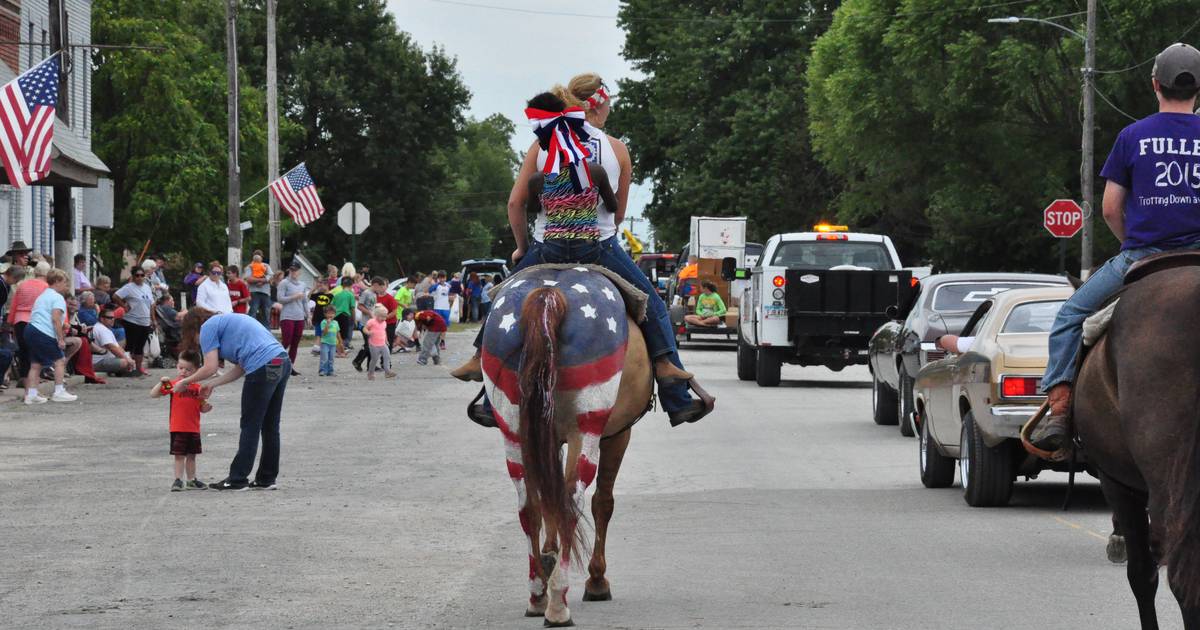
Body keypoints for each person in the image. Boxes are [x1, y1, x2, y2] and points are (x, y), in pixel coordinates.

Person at [452, 83, 713, 427]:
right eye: (608, 107)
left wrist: (522, 248)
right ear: (596, 108)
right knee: (653, 304)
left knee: (501, 300)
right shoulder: (616, 150)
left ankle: (483, 377)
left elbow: (517, 205)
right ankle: (673, 389)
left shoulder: (540, 148)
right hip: (599, 249)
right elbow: (617, 215)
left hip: (547, 249)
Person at [1032, 43, 1200, 452]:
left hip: (1143, 255)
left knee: (1071, 316)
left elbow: (1109, 208)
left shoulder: (1132, 135)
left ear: (1155, 84)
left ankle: (1058, 411)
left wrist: (1134, 246)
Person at [177, 308, 290, 491]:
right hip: (281, 361)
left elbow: (210, 366)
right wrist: (213, 384)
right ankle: (266, 478)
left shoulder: (207, 327)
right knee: (270, 425)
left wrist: (185, 382)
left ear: (193, 327)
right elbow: (241, 367)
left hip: (262, 365)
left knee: (250, 425)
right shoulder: (228, 322)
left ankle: (237, 479)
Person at [152, 349, 212, 492]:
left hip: (193, 427)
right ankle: (178, 480)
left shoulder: (198, 388)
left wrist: (207, 407)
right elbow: (154, 394)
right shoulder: (173, 384)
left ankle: (191, 480)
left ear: (197, 370)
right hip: (178, 426)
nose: (183, 372)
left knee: (192, 455)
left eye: (188, 370)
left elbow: (202, 406)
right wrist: (161, 383)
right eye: (181, 368)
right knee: (179, 456)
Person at [23, 268, 78, 404]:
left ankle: (31, 394)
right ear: (57, 282)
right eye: (65, 283)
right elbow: (55, 319)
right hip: (44, 331)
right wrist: (60, 339)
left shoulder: (42, 296)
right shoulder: (57, 297)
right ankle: (59, 392)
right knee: (59, 360)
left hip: (30, 329)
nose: (67, 287)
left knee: (36, 364)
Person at [8, 261, 50, 383]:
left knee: (23, 350)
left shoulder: (23, 285)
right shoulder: (46, 287)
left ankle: (23, 377)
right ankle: (35, 377)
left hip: (19, 320)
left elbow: (14, 305)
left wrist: (11, 322)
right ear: (47, 274)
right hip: (36, 321)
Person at [113, 266, 158, 375]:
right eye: (137, 275)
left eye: (142, 275)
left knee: (140, 346)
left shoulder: (147, 287)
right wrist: (124, 305)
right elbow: (115, 296)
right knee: (130, 346)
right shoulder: (129, 287)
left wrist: (154, 319)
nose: (139, 278)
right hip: (132, 321)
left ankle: (139, 368)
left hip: (145, 321)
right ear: (133, 276)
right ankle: (128, 367)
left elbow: (151, 304)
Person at [277, 262, 309, 374]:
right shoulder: (283, 283)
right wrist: (294, 297)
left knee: (295, 343)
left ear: (299, 272)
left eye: (295, 270)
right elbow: (280, 299)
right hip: (287, 316)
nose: (293, 272)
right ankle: (276, 362)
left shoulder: (303, 285)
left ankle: (290, 367)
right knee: (286, 341)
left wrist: (308, 315)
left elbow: (305, 301)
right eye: (291, 270)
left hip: (299, 316)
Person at [91, 304, 135, 376]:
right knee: (125, 362)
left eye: (113, 317)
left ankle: (119, 370)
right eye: (110, 318)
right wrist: (127, 359)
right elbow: (112, 347)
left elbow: (118, 347)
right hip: (98, 362)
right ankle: (119, 370)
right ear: (102, 319)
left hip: (107, 359)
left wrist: (127, 357)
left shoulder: (106, 329)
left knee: (128, 357)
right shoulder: (101, 329)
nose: (113, 319)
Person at [351, 276, 379, 372]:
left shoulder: (374, 294)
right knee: (369, 344)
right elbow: (359, 306)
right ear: (375, 285)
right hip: (365, 323)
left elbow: (372, 307)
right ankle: (357, 361)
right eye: (380, 287)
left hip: (372, 323)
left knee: (372, 344)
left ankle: (369, 365)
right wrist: (369, 313)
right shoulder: (366, 293)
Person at [364, 304, 396, 380]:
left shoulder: (384, 323)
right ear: (376, 315)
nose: (384, 318)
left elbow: (383, 331)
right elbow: (364, 328)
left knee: (387, 357)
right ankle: (370, 373)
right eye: (382, 316)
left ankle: (387, 372)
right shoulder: (371, 321)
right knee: (374, 359)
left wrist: (386, 339)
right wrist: (368, 333)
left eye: (385, 317)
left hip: (383, 344)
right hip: (374, 344)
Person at [244, 250, 274, 326]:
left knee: (266, 313)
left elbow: (271, 276)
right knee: (253, 312)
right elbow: (248, 279)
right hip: (254, 292)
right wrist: (263, 280)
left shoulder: (266, 266)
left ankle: (266, 331)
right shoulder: (249, 266)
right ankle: (252, 329)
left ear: (262, 257)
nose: (258, 256)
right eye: (256, 255)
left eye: (259, 255)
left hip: (265, 293)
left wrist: (262, 281)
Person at [332, 276, 357, 350]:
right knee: (344, 334)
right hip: (345, 315)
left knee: (337, 332)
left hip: (336, 315)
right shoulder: (350, 295)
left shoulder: (337, 295)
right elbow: (352, 308)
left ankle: (337, 348)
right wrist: (354, 319)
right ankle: (341, 349)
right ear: (351, 285)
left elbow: (332, 306)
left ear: (342, 286)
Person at [316, 305, 342, 376]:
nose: (330, 315)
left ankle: (330, 371)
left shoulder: (336, 323)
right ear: (325, 314)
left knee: (331, 358)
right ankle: (322, 370)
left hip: (333, 343)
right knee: (324, 358)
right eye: (328, 313)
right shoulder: (323, 322)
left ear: (335, 314)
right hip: (325, 343)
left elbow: (338, 333)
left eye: (332, 313)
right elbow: (324, 333)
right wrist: (328, 324)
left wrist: (340, 341)